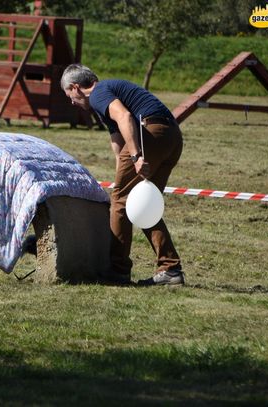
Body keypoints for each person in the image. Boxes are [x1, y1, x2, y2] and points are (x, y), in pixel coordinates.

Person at [60, 64, 184, 286]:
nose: (71, 101)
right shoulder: (106, 96)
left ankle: (116, 271)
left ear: (76, 88)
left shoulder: (98, 93)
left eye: (69, 94)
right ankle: (171, 269)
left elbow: (125, 117)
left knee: (121, 201)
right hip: (172, 136)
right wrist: (123, 174)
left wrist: (136, 157)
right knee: (143, 204)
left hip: (150, 132)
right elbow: (118, 140)